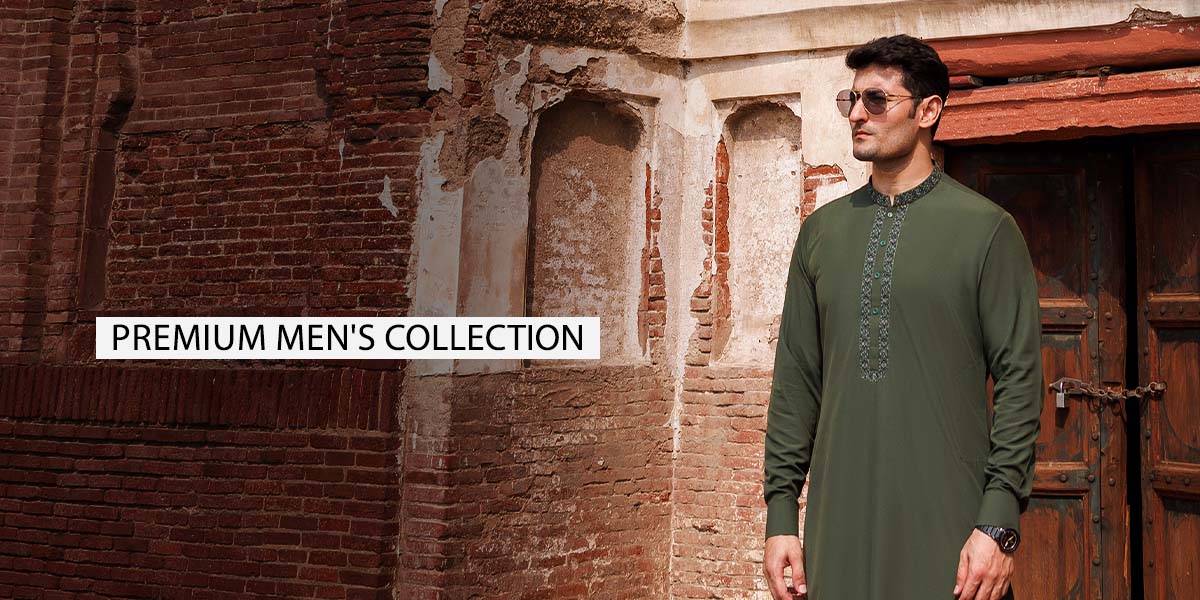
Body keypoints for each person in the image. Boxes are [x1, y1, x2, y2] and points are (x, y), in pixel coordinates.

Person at [761, 34, 1044, 600]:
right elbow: (796, 382)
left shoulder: (986, 230)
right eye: (852, 100)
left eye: (877, 100)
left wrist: (998, 522)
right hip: (838, 530)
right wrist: (781, 516)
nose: (857, 114)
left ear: (928, 111)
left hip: (951, 533)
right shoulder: (821, 234)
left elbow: (1020, 383)